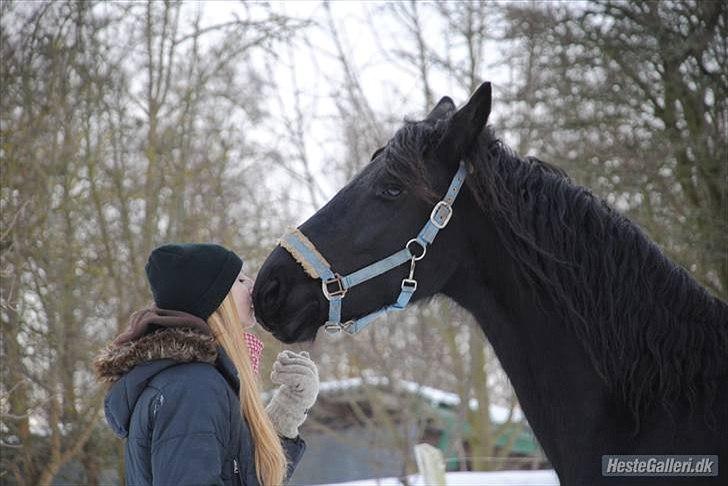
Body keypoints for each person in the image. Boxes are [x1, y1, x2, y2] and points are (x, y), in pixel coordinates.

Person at [94, 243, 318, 485]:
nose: (252, 285)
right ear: (214, 300)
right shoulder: (193, 388)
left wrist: (288, 411)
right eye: (240, 280)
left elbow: (240, 476)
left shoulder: (196, 381)